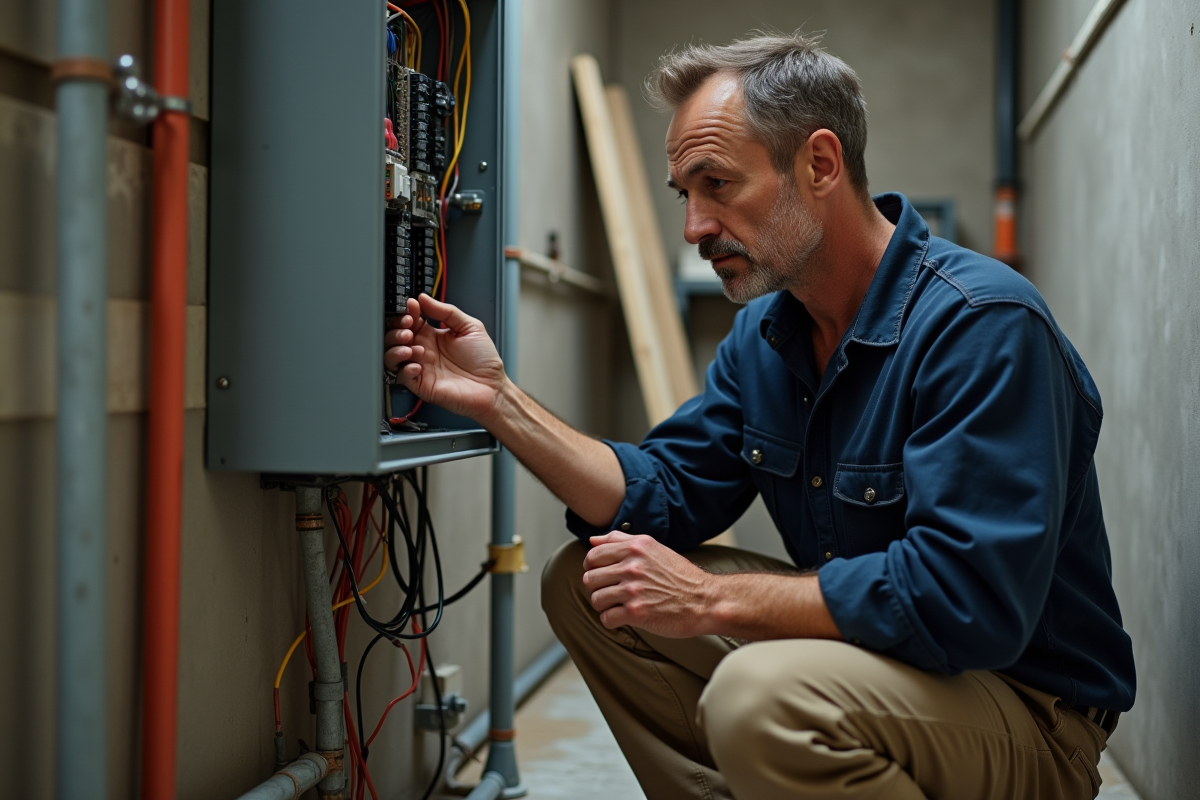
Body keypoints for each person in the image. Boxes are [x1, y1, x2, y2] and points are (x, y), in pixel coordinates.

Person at [384, 31, 1135, 800]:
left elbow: (966, 602)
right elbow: (663, 492)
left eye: (716, 184)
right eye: (685, 194)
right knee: (591, 581)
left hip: (1022, 713)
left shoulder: (981, 324)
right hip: (881, 667)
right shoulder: (770, 337)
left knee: (760, 697)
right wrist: (497, 400)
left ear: (818, 164)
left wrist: (710, 600)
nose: (694, 227)